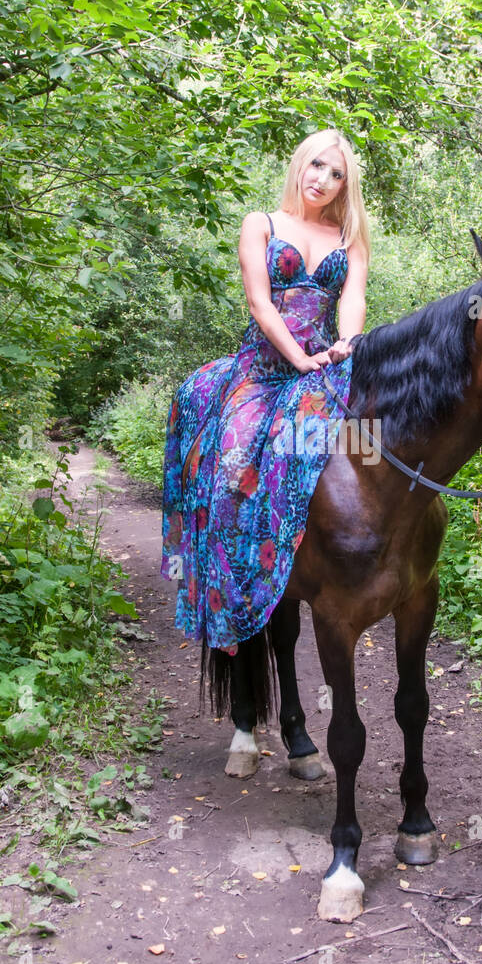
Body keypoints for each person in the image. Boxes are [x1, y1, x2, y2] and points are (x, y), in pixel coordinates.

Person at [160, 129, 370, 655]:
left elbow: (353, 299)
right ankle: (229, 594)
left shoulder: (349, 238)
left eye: (336, 173)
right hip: (263, 367)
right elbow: (260, 302)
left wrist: (345, 342)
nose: (323, 179)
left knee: (366, 448)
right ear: (301, 164)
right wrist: (298, 358)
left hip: (325, 366)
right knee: (232, 469)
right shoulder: (262, 224)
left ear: (346, 185)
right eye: (318, 166)